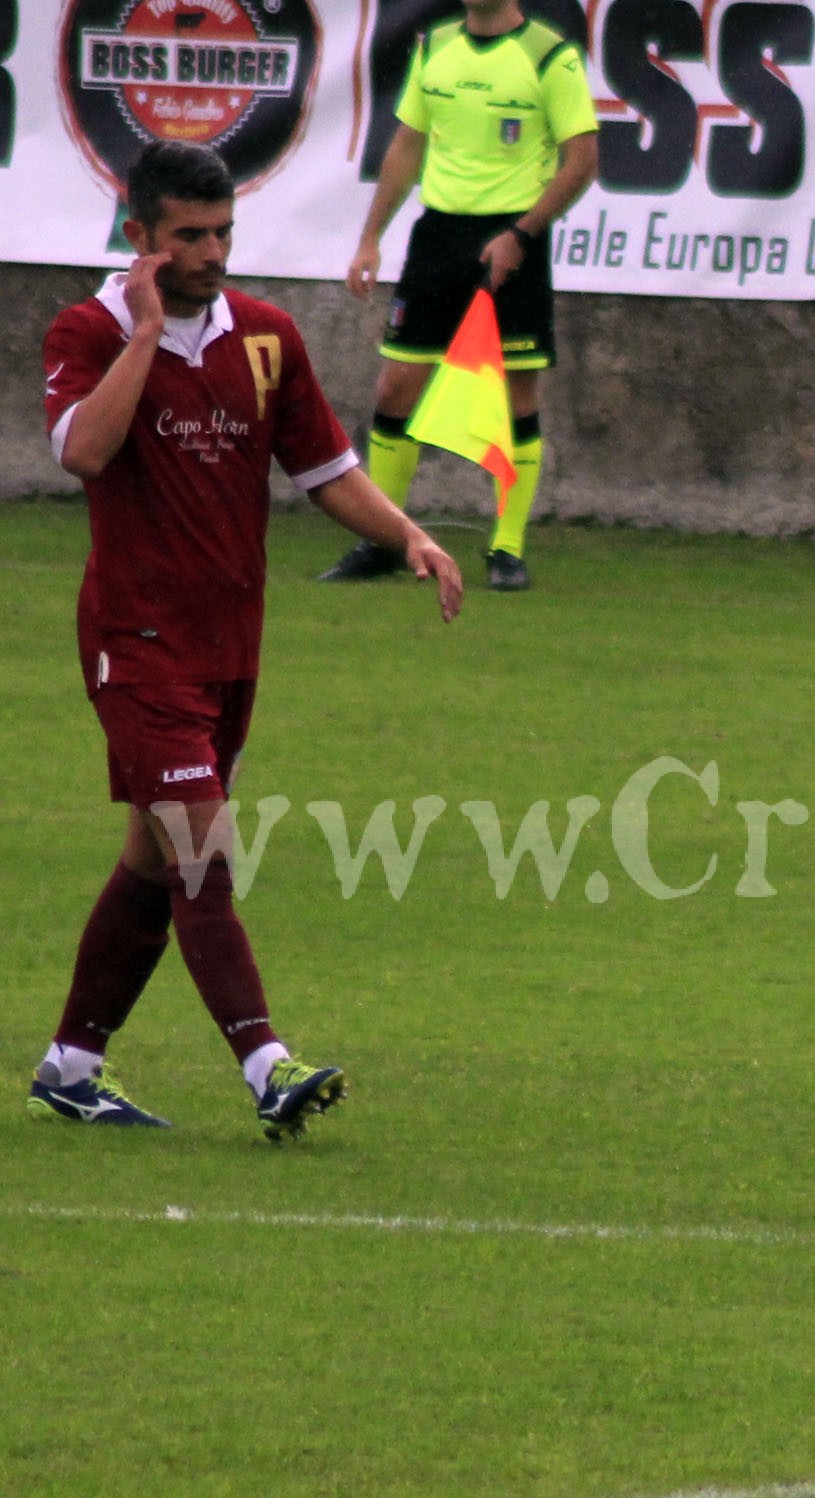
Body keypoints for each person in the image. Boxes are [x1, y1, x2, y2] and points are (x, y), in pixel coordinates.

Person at [27, 140, 463, 1137]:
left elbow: (326, 473)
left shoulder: (266, 336)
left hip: (230, 647)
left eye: (223, 232)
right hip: (135, 641)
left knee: (154, 855)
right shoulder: (87, 331)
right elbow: (85, 453)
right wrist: (143, 336)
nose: (213, 253)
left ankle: (70, 1064)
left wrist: (409, 537)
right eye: (189, 236)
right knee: (199, 848)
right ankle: (268, 1065)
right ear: (138, 236)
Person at [323, 0, 596, 592]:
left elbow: (582, 162)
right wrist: (370, 238)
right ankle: (387, 539)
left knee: (516, 395)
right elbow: (405, 147)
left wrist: (521, 234)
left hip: (512, 237)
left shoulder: (550, 55)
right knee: (396, 385)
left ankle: (507, 548)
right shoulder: (434, 45)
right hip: (437, 238)